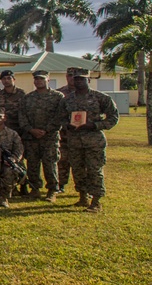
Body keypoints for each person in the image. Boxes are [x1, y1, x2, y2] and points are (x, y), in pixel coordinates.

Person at [58, 67, 119, 212]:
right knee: (78, 170)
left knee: (94, 170)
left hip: (94, 141)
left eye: (82, 79)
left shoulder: (101, 98)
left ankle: (96, 201)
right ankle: (83, 197)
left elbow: (113, 117)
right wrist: (67, 125)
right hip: (74, 141)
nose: (78, 81)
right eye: (76, 78)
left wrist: (95, 125)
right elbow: (60, 117)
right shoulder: (68, 100)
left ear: (88, 80)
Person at [20, 70, 63, 202]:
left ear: (48, 80)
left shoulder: (57, 97)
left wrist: (46, 130)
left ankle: (52, 190)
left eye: (41, 79)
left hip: (49, 138)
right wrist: (31, 130)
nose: (39, 81)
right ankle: (35, 188)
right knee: (32, 164)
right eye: (36, 79)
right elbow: (22, 117)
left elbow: (60, 116)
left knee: (50, 165)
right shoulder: (28, 98)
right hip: (32, 137)